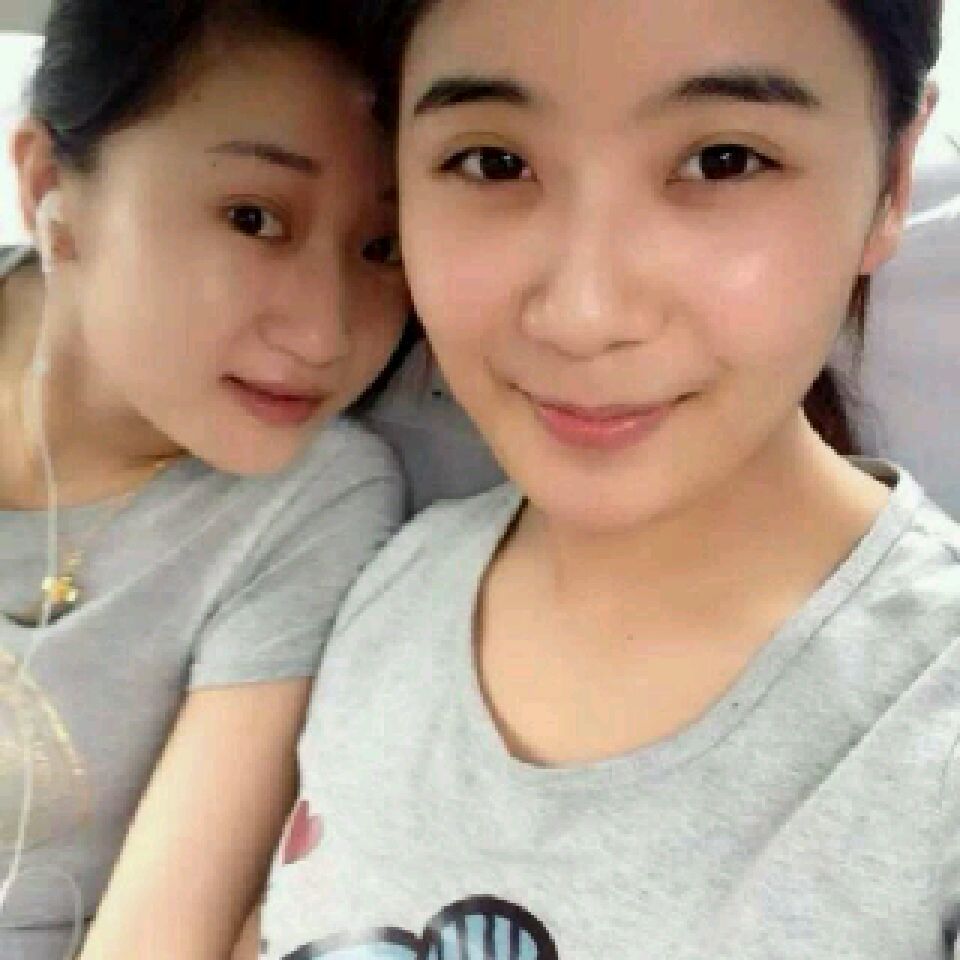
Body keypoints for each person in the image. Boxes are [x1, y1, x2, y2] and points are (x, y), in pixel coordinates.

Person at [261, 0, 960, 957]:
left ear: (891, 183)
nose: (583, 316)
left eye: (724, 160)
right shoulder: (389, 587)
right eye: (492, 163)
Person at [0, 1, 411, 957]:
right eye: (253, 219)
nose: (325, 333)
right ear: (50, 185)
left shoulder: (313, 504)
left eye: (382, 248)